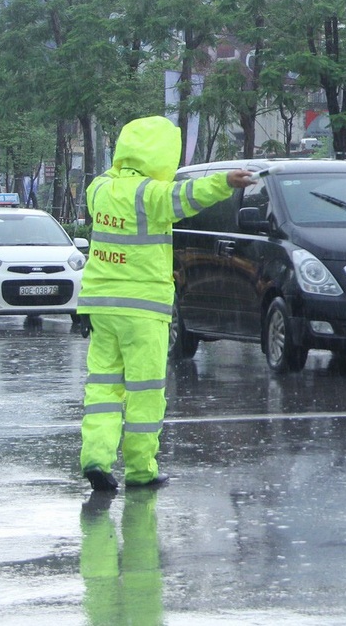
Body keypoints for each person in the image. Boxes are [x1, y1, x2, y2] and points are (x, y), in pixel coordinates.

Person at [78, 115, 252, 491]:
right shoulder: (151, 196)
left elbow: (114, 180)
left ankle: (96, 455)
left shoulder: (98, 189)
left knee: (103, 387)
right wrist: (225, 181)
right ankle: (141, 469)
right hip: (143, 308)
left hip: (101, 306)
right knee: (145, 390)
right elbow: (188, 196)